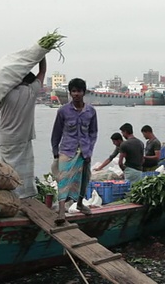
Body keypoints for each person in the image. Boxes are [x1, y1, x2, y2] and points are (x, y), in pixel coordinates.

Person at [0, 58, 46, 199]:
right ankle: (26, 198)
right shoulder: (31, 91)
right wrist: (41, 54)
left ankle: (10, 198)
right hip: (23, 139)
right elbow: (42, 71)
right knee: (25, 172)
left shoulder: (4, 92)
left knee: (7, 171)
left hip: (6, 139)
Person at [51, 78, 98, 224]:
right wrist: (55, 151)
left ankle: (79, 203)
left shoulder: (91, 111)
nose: (76, 94)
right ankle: (61, 211)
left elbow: (93, 133)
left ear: (84, 92)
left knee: (83, 178)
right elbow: (56, 133)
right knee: (63, 179)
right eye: (74, 91)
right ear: (70, 93)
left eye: (79, 91)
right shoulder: (63, 111)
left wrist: (89, 151)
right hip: (67, 150)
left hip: (84, 150)